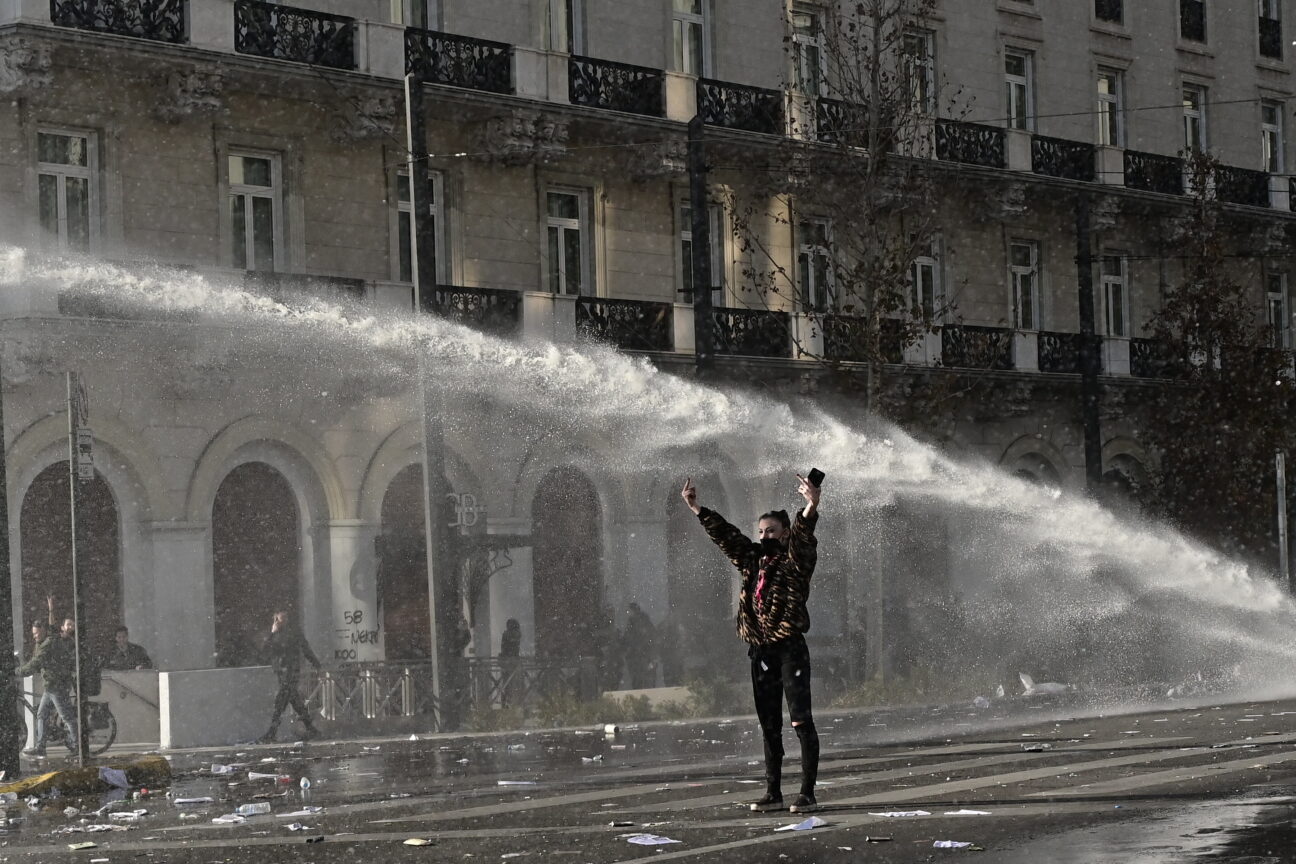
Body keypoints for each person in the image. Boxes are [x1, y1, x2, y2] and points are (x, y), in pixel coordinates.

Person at [682, 473, 822, 814]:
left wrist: (812, 505)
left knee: (800, 720)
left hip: (789, 648)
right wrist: (697, 508)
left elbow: (804, 537)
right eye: (761, 532)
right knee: (769, 722)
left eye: (771, 531)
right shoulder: (753, 559)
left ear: (785, 532)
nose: (764, 536)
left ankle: (807, 793)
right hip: (760, 650)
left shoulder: (795, 561)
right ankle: (773, 792)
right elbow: (727, 537)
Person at [257, 610, 322, 743]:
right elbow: (264, 651)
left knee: (280, 702)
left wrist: (316, 664)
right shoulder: (274, 634)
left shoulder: (294, 633)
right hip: (282, 673)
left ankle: (272, 732)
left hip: (291, 672)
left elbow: (306, 649)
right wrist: (272, 633)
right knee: (294, 700)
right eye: (280, 619)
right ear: (275, 620)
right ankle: (312, 729)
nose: (283, 622)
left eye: (285, 619)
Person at [15, 619, 76, 758]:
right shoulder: (42, 642)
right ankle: (41, 748)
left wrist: (16, 671)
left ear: (43, 630)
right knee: (41, 715)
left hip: (57, 685)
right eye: (33, 634)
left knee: (66, 717)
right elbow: (34, 660)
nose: (34, 636)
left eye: (36, 633)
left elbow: (35, 663)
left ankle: (78, 747)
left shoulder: (48, 644)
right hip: (51, 686)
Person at [623, 603, 658, 689]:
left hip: (642, 657)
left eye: (629, 611)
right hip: (638, 657)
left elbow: (651, 639)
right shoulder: (633, 624)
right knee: (640, 681)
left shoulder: (640, 623)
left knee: (643, 681)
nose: (628, 613)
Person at [499, 618, 522, 708]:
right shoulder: (517, 634)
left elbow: (504, 646)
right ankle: (513, 701)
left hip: (506, 661)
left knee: (506, 683)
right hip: (514, 661)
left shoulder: (506, 634)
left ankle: (506, 701)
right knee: (513, 683)